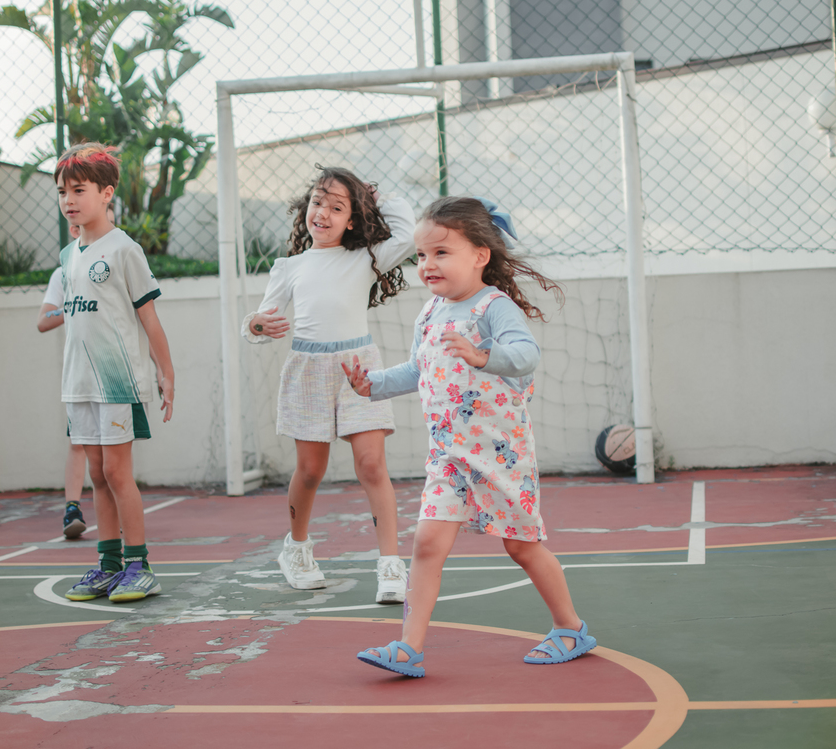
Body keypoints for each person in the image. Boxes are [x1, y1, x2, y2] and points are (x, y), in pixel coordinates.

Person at [344, 196, 595, 677]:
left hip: (500, 456)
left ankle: (570, 628)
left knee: (521, 545)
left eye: (441, 252)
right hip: (448, 458)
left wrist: (484, 357)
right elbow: (417, 370)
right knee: (426, 544)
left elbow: (525, 355)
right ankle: (408, 648)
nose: (428, 264)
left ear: (480, 255)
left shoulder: (493, 307)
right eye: (421, 255)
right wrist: (371, 384)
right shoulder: (430, 313)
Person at [243, 166, 414, 603]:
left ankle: (391, 566)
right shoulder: (288, 267)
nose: (323, 212)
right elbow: (259, 322)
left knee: (372, 465)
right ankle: (296, 550)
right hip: (308, 372)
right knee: (311, 470)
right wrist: (258, 325)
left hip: (358, 370)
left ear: (353, 219)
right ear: (306, 208)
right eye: (318, 202)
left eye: (337, 207)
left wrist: (378, 194)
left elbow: (408, 234)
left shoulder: (366, 258)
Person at [53, 142, 175, 603]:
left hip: (119, 383)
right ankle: (107, 565)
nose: (69, 199)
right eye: (63, 191)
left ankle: (139, 565)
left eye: (79, 189)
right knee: (98, 475)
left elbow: (149, 319)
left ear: (106, 193)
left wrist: (167, 373)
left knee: (119, 473)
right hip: (78, 383)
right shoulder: (68, 257)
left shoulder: (124, 249)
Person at [38, 222, 89, 539]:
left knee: (114, 449)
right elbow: (43, 321)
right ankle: (73, 508)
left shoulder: (119, 259)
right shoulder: (62, 274)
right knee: (78, 442)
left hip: (113, 371)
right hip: (79, 373)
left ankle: (117, 508)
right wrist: (67, 309)